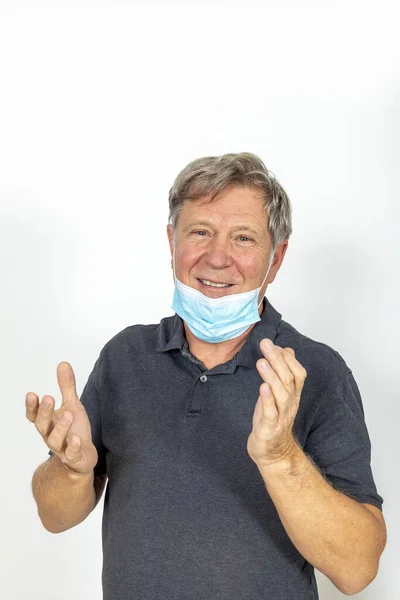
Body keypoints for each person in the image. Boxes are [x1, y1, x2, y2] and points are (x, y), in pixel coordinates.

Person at [27, 152, 386, 600]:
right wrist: (70, 469)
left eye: (243, 238)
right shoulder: (124, 357)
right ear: (171, 241)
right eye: (200, 232)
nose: (218, 257)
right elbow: (54, 516)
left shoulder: (315, 372)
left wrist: (280, 457)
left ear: (276, 259)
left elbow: (357, 570)